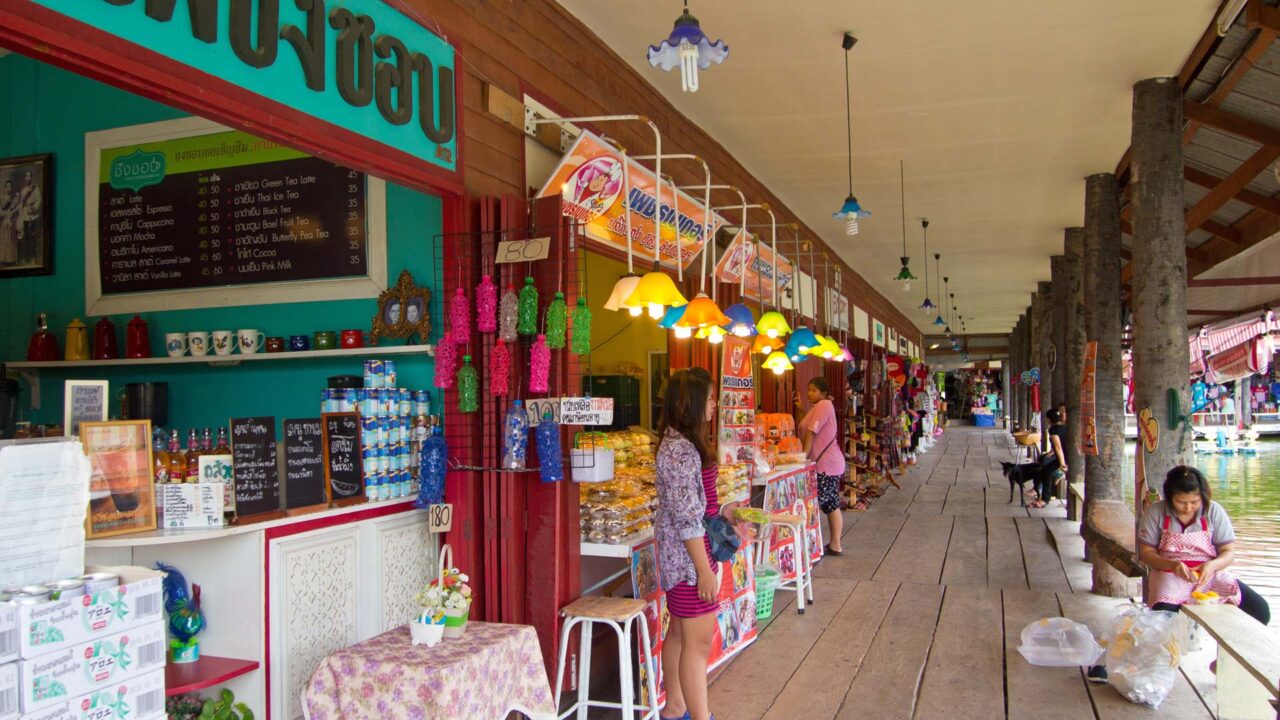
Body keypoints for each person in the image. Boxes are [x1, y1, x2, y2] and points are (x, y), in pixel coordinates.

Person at [1088, 466, 1270, 683]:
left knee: (1260, 611)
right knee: (1154, 623)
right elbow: (1147, 554)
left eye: (1194, 502)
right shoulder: (1155, 513)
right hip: (1169, 573)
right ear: (1169, 497)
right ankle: (1106, 663)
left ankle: (1224, 661)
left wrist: (1211, 566)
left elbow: (1228, 553)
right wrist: (1172, 565)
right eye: (1181, 502)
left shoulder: (1214, 511)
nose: (1188, 508)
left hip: (1207, 573)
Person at [655, 369, 721, 720]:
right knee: (696, 646)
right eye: (710, 398)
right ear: (692, 404)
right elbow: (687, 518)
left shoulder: (681, 443)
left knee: (679, 634)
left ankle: (674, 708)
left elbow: (698, 507)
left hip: (685, 556)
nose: (715, 404)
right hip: (687, 560)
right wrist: (703, 571)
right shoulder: (680, 452)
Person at [797, 377, 847, 556]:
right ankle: (835, 545)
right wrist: (802, 410)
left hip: (825, 465)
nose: (810, 393)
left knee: (816, 505)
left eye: (813, 390)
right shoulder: (818, 408)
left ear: (823, 392)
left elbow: (811, 433)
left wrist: (802, 458)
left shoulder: (824, 405)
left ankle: (812, 547)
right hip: (830, 464)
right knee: (831, 504)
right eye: (808, 390)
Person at [1032, 408, 1067, 508]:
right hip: (1063, 455)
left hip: (1063, 457)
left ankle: (1045, 498)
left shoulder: (1053, 429)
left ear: (1048, 419)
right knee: (1043, 465)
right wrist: (1051, 453)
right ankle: (1040, 492)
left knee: (1045, 471)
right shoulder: (1065, 426)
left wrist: (1062, 463)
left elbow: (1058, 447)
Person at [0, 179, 17, 264]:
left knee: (11, 239)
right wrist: (6, 213)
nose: (9, 188)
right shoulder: (1, 198)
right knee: (4, 240)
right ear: (5, 187)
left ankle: (12, 259)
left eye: (10, 186)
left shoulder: (15, 198)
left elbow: (17, 210)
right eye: (7, 186)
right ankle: (4, 259)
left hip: (12, 221)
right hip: (4, 222)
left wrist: (12, 214)